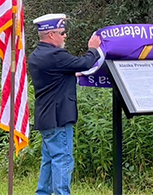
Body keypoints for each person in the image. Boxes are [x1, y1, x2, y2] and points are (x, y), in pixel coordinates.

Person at [28, 13, 102, 195]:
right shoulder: (55, 55)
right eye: (62, 32)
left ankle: (42, 193)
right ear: (51, 35)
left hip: (45, 117)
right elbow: (85, 63)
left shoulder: (37, 55)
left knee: (49, 160)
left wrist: (71, 75)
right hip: (58, 118)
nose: (65, 36)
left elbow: (55, 77)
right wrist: (93, 48)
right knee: (63, 160)